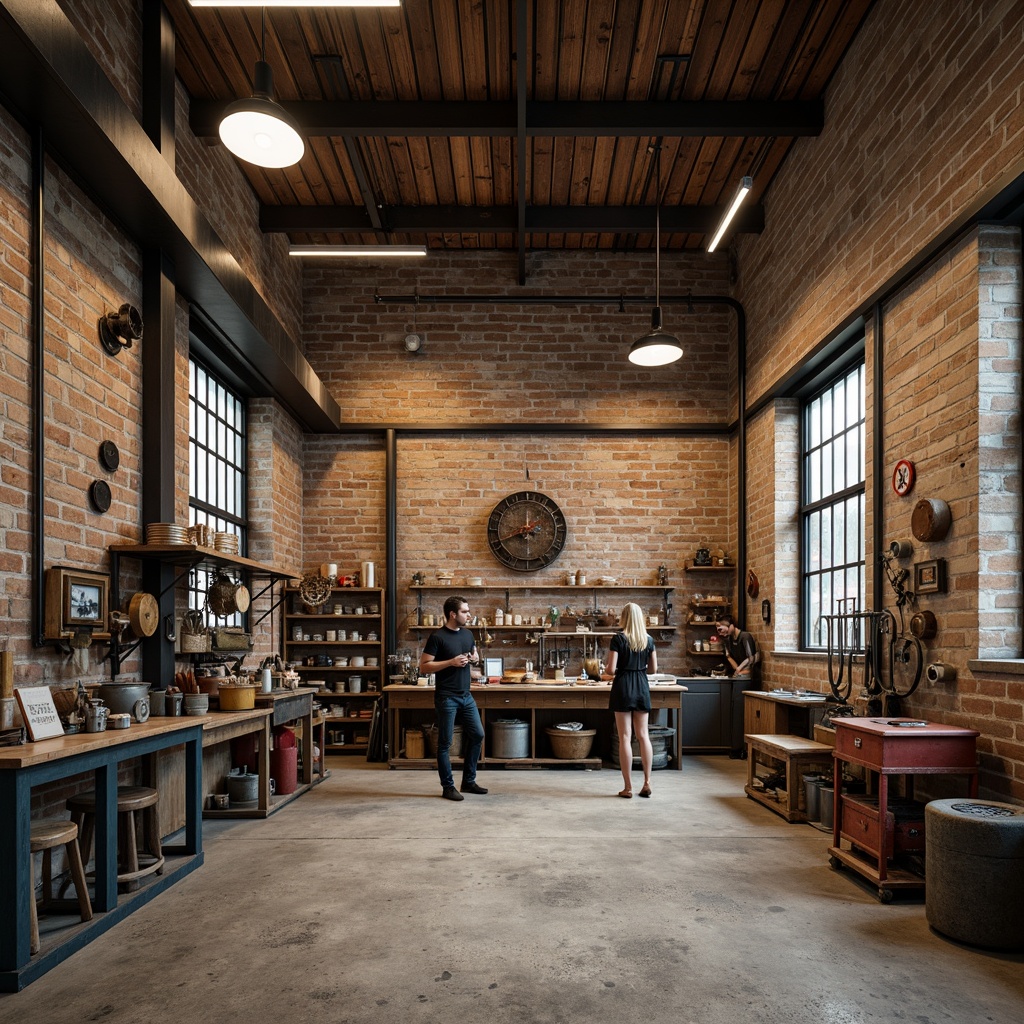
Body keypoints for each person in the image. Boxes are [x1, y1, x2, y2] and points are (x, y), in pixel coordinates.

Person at [419, 595, 488, 801]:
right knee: (445, 744)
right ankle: (447, 787)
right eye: (465, 611)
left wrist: (475, 659)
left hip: (466, 696)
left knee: (477, 734)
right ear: (453, 614)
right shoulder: (437, 637)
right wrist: (450, 662)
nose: (469, 614)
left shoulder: (468, 635)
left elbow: (474, 655)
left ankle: (468, 781)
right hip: (446, 697)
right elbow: (424, 666)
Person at [604, 602, 657, 799]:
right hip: (642, 685)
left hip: (623, 686)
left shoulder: (618, 639)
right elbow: (653, 669)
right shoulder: (648, 640)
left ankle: (628, 788)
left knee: (625, 737)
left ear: (624, 618)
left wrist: (609, 671)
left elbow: (610, 670)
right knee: (643, 735)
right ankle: (647, 783)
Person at [715, 613, 761, 758]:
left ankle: (741, 748)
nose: (719, 631)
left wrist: (740, 670)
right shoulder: (728, 640)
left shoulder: (745, 637)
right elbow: (728, 656)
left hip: (747, 678)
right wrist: (737, 670)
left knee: (741, 713)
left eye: (720, 627)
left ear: (731, 625)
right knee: (735, 712)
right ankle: (735, 747)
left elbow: (751, 657)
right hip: (738, 676)